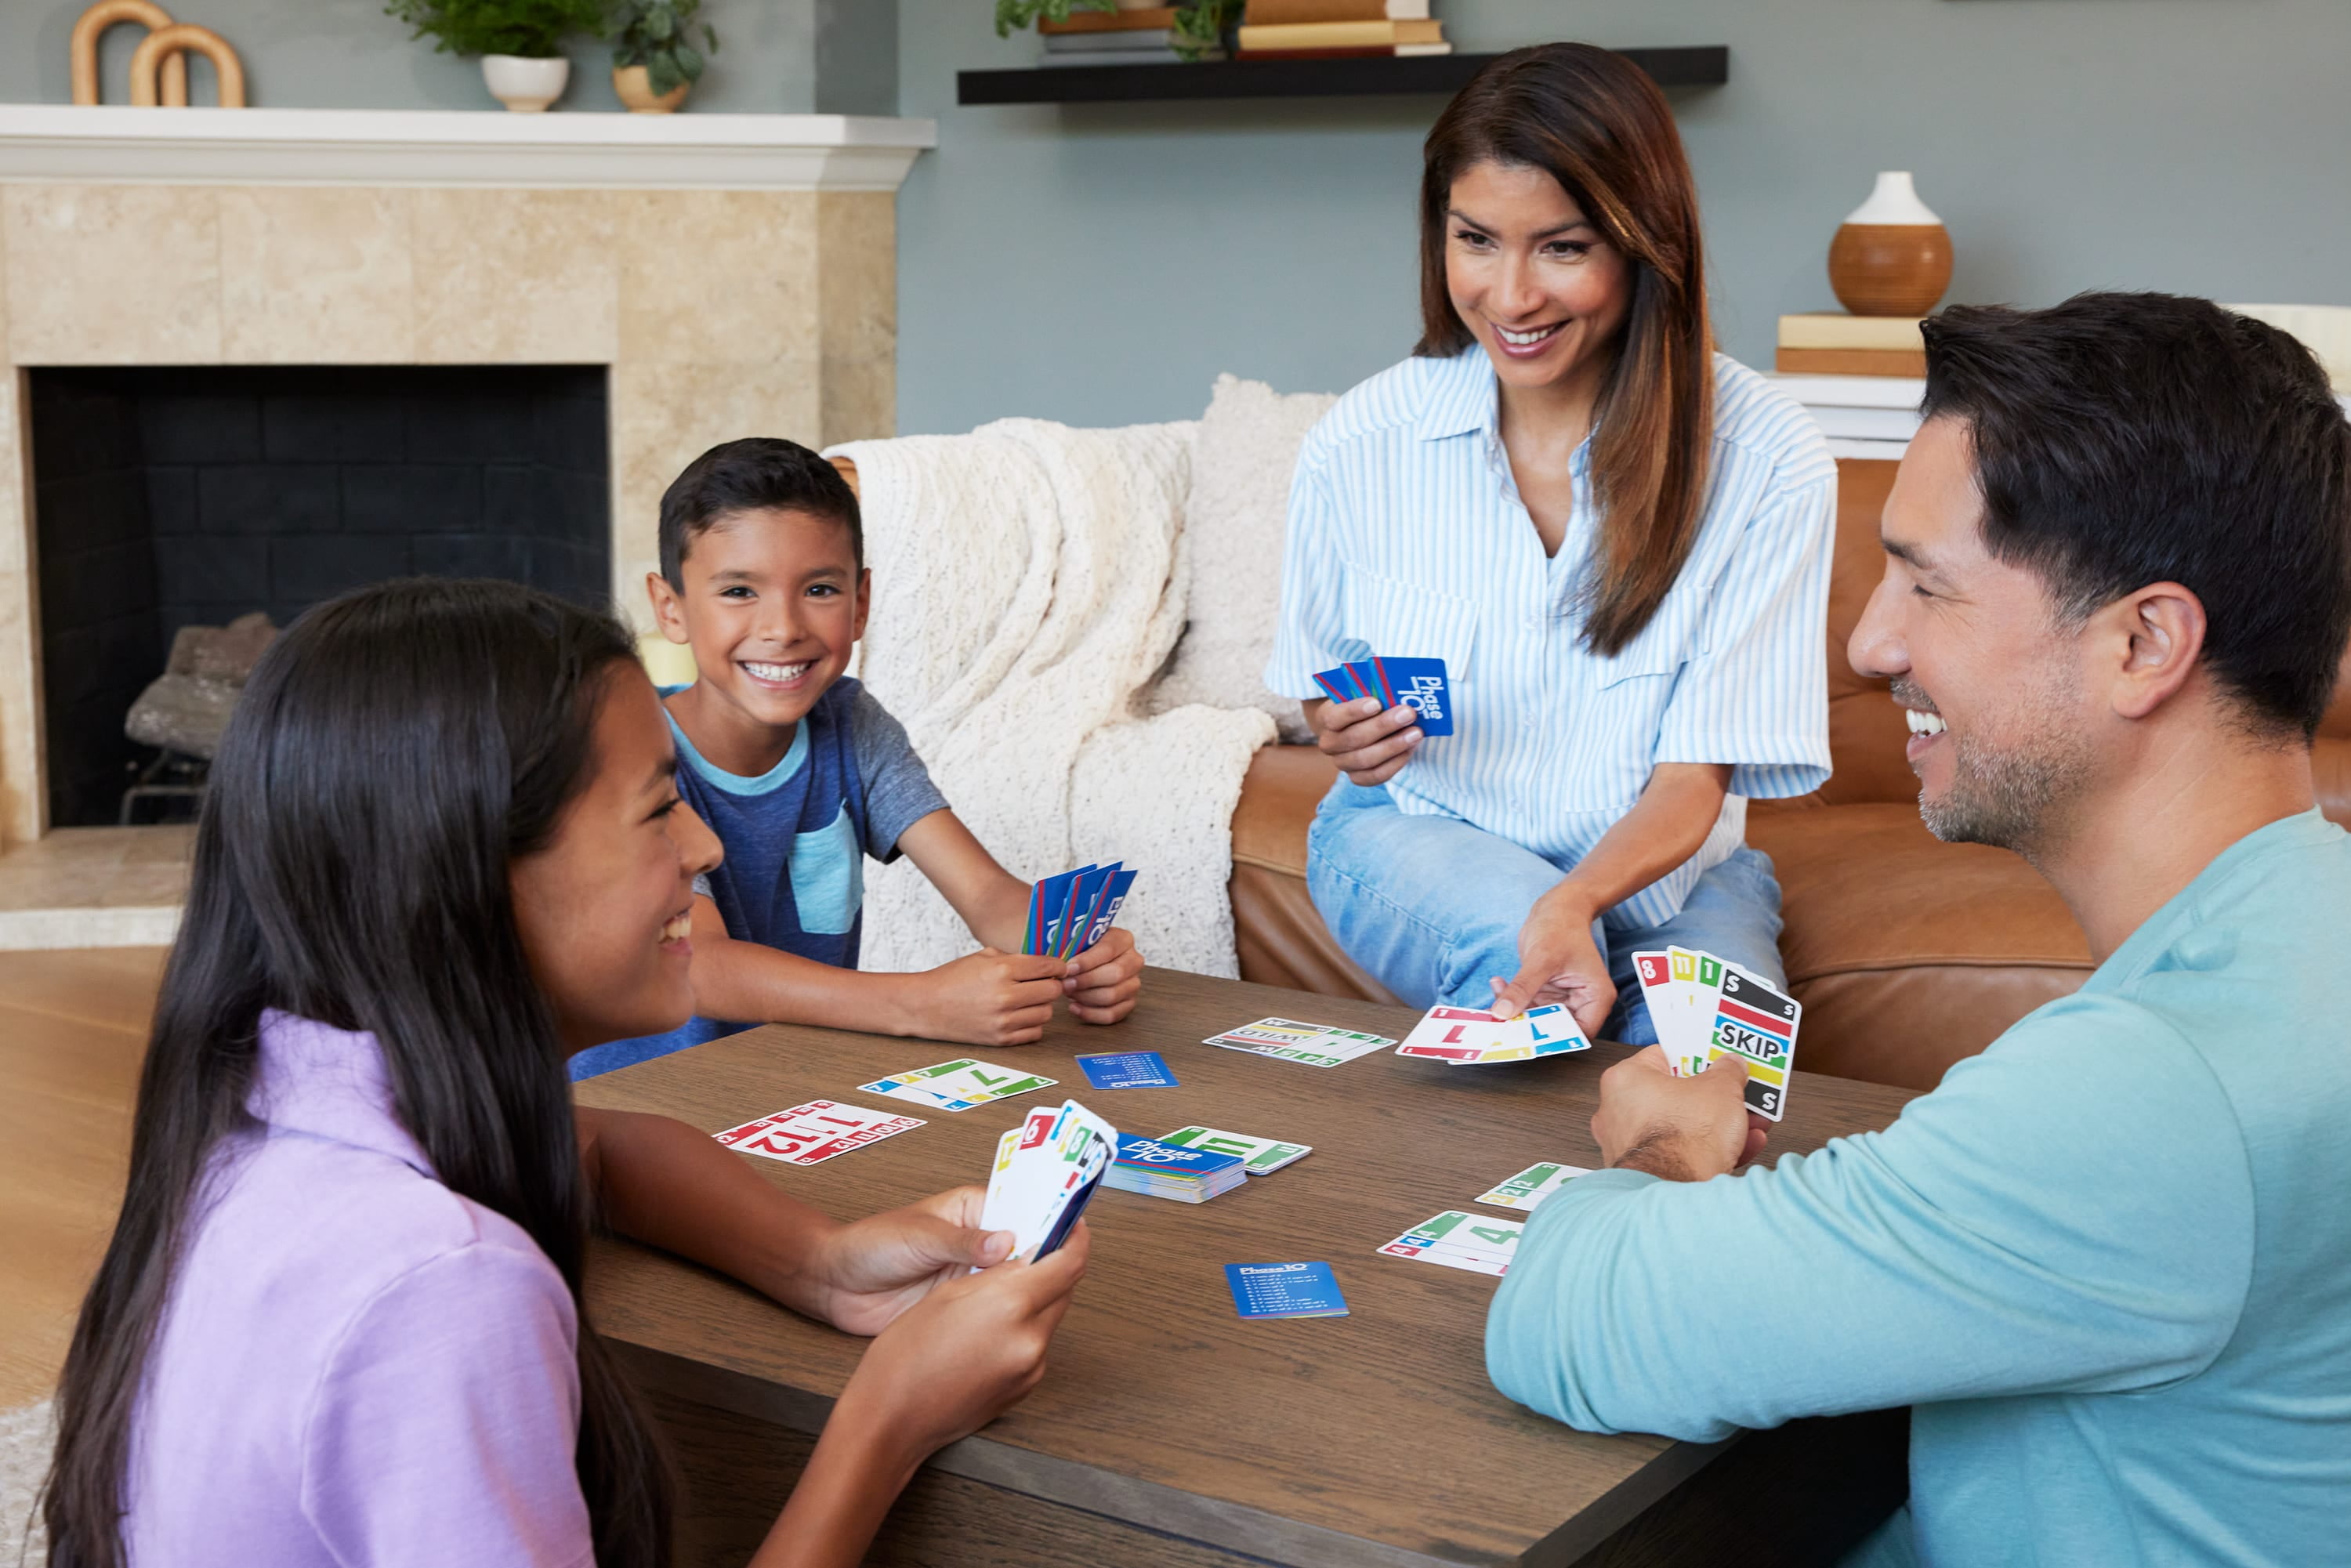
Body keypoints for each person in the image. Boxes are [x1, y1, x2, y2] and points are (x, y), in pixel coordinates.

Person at [1486, 294, 2351, 1565]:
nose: (1869, 638)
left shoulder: (2158, 1091)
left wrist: (1661, 1158)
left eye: (1927, 585)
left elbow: (1570, 1318)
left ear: (2144, 642)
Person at [42, 578, 1091, 1567]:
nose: (704, 849)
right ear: (467, 873)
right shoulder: (444, 1287)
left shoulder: (270, 1105)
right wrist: (890, 1416)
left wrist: (822, 1260)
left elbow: (594, 1144)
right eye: (656, 809)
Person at [1265, 42, 1835, 1045]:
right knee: (1521, 970)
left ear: (1646, 243)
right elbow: (1324, 690)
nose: (1511, 296)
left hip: (1672, 882)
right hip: (1421, 837)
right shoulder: (1361, 442)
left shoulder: (1769, 462)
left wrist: (1575, 904)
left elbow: (1690, 785)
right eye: (1475, 240)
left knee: (1713, 1081)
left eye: (1563, 248)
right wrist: (1342, 729)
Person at [570, 437, 1144, 1079]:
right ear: (670, 607)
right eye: (738, 591)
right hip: (642, 1106)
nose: (783, 627)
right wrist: (919, 1002)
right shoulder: (636, 749)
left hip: (795, 1091)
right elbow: (701, 965)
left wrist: (1079, 952)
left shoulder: (852, 726)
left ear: (861, 603)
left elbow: (989, 896)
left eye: (819, 588)